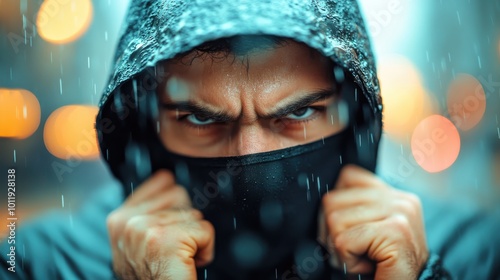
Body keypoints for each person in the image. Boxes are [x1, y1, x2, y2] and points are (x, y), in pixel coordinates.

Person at [1, 0, 498, 279]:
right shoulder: (38, 263)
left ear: (355, 115)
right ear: (144, 124)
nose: (251, 155)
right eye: (199, 119)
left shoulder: (477, 253)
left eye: (298, 112)